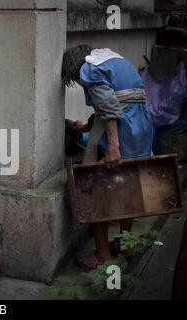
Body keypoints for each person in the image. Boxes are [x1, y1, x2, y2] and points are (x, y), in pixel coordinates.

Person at [62, 45, 154, 269]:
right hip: (140, 129)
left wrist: (113, 146)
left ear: (76, 68)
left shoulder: (89, 68)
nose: (78, 82)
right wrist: (86, 126)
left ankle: (102, 256)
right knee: (128, 185)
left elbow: (109, 107)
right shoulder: (116, 60)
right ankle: (125, 242)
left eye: (75, 79)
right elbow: (121, 100)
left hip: (121, 133)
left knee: (96, 189)